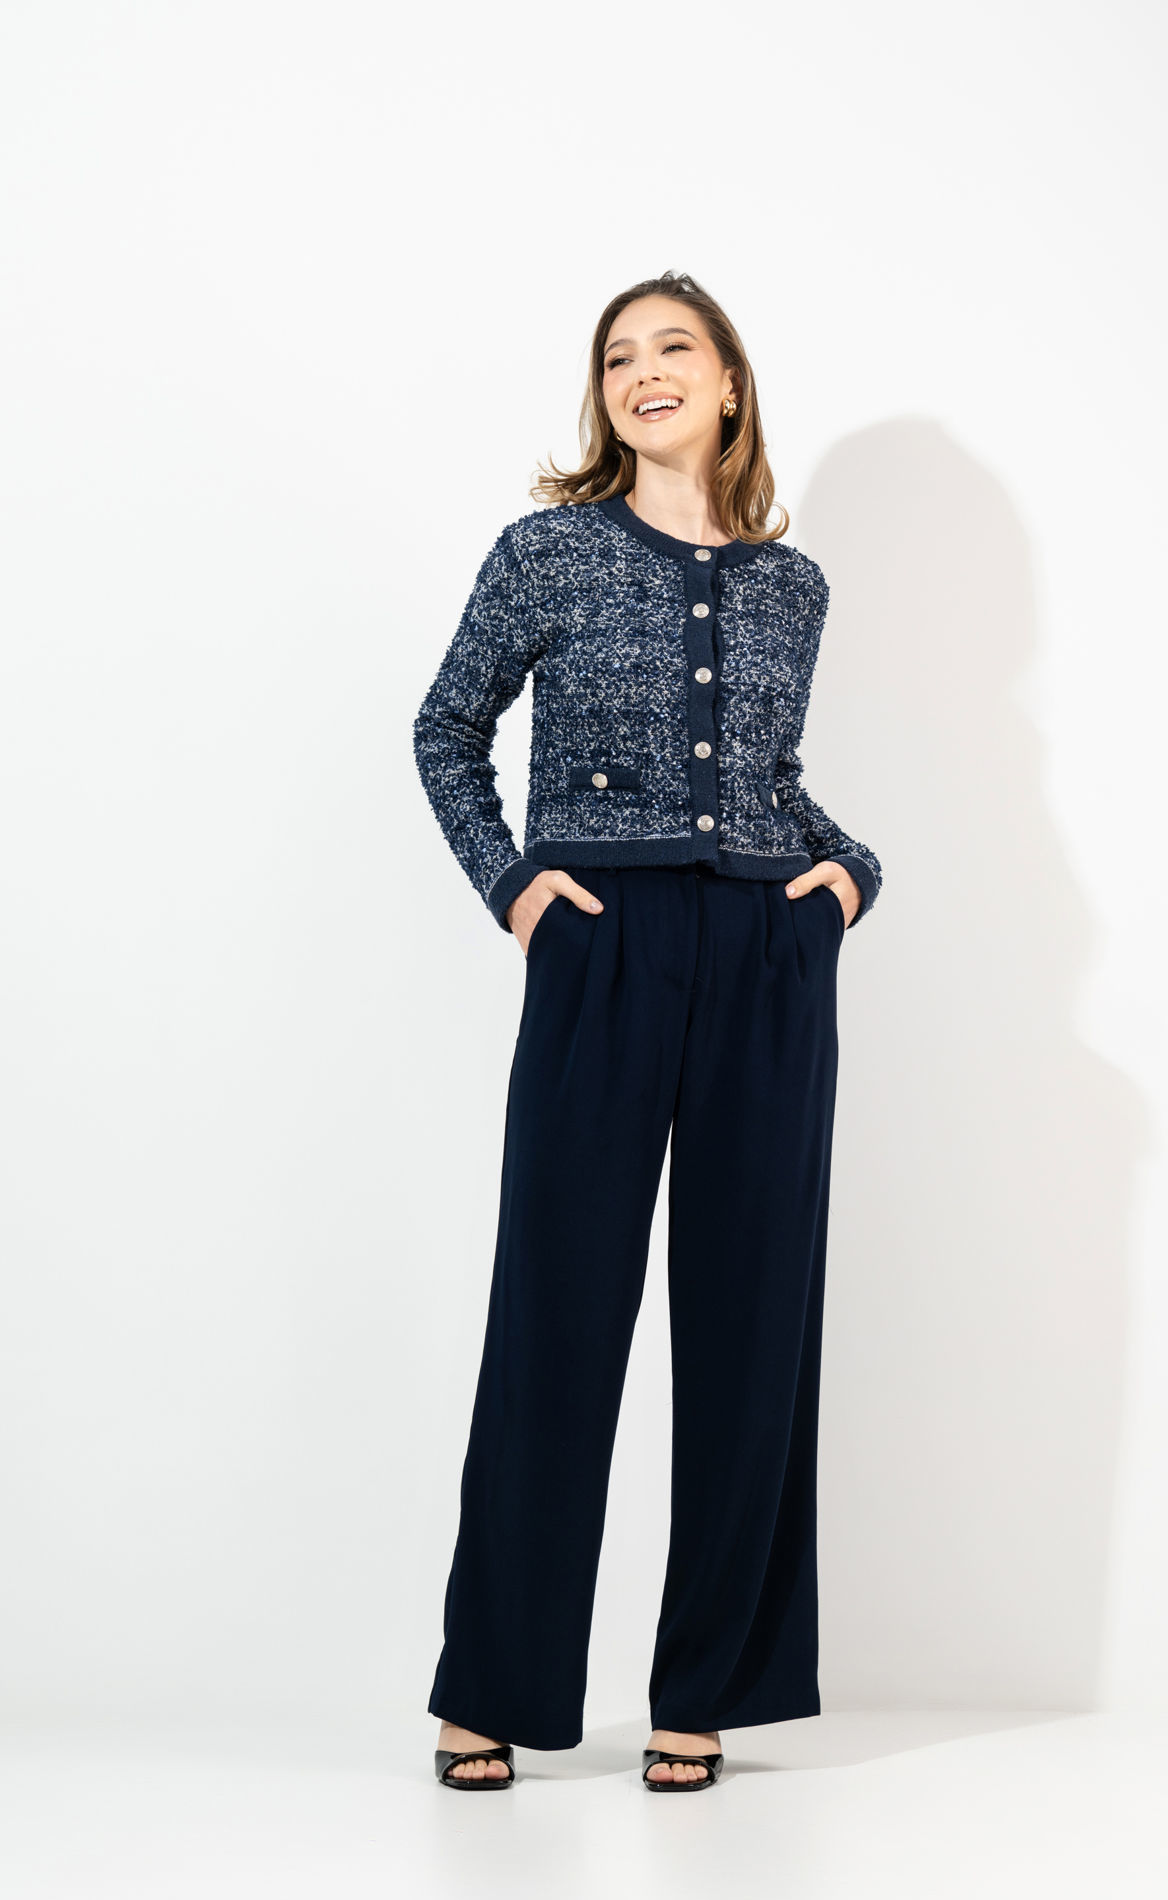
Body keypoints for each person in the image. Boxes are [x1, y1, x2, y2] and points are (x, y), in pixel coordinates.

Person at [413, 269, 882, 1793]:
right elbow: (446, 726)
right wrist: (515, 889)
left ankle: (709, 1690)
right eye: (620, 355)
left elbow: (767, 779)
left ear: (730, 381)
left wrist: (846, 878)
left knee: (753, 1320)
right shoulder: (545, 551)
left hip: (764, 951)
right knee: (556, 1312)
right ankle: (494, 1684)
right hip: (600, 947)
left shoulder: (793, 586)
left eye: (675, 347)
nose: (644, 371)